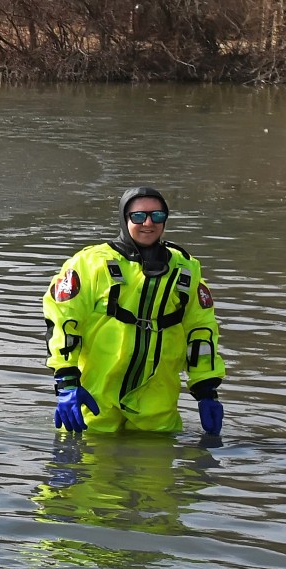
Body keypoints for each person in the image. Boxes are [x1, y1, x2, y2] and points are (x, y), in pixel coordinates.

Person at [43, 186, 227, 437]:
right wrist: (66, 381)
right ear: (124, 218)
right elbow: (63, 319)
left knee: (157, 470)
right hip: (94, 396)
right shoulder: (90, 264)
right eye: (138, 216)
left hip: (158, 401)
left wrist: (207, 390)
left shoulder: (185, 269)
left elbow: (201, 331)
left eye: (157, 216)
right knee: (86, 466)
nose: (148, 223)